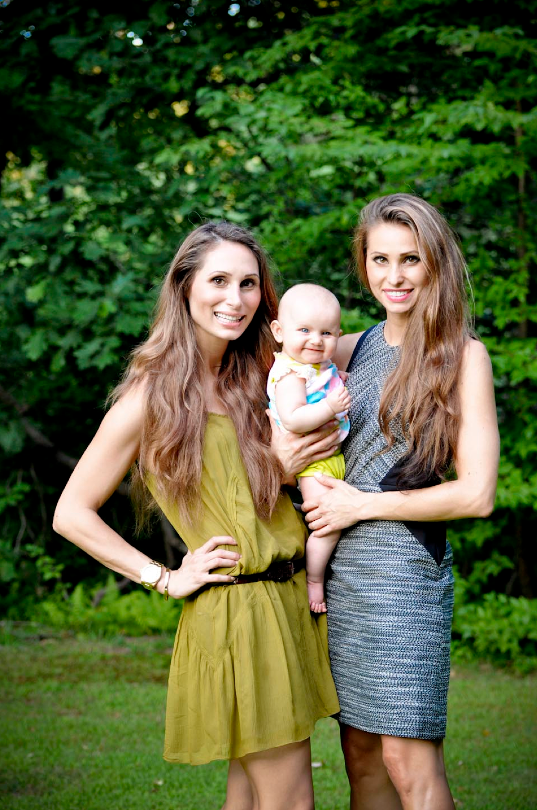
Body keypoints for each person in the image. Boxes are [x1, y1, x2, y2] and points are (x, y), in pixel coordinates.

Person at [53, 221, 341, 810]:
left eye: (249, 284)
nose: (234, 300)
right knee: (289, 801)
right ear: (183, 287)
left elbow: (342, 338)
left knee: (249, 796)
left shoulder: (255, 376)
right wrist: (164, 577)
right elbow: (71, 512)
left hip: (285, 603)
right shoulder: (150, 395)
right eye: (217, 281)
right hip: (237, 615)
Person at [301, 194, 499, 810]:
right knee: (360, 760)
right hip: (338, 580)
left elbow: (477, 493)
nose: (394, 276)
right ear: (363, 266)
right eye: (379, 259)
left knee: (407, 761)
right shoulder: (344, 348)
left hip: (407, 576)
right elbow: (262, 377)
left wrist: (361, 506)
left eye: (410, 259)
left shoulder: (461, 356)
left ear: (434, 263)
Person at [267, 283, 351, 613]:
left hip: (330, 459)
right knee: (328, 525)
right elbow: (294, 418)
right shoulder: (290, 374)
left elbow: (324, 382)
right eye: (304, 330)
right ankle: (315, 579)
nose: (316, 340)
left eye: (326, 332)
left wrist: (336, 379)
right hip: (312, 465)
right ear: (279, 331)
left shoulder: (317, 366)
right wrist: (330, 406)